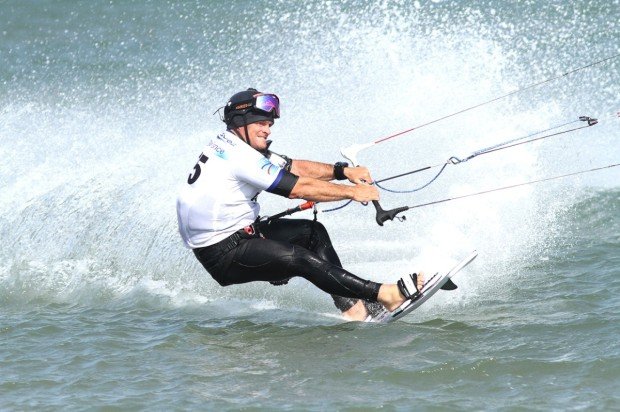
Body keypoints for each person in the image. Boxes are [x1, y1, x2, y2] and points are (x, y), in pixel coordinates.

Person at [176, 88, 424, 321]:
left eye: (270, 125)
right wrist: (352, 193)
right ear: (240, 122)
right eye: (261, 123)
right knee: (300, 259)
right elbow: (297, 189)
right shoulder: (240, 156)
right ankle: (385, 295)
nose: (268, 130)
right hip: (223, 253)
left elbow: (295, 167)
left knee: (312, 233)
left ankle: (354, 309)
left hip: (242, 234)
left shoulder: (233, 144)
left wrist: (343, 171)